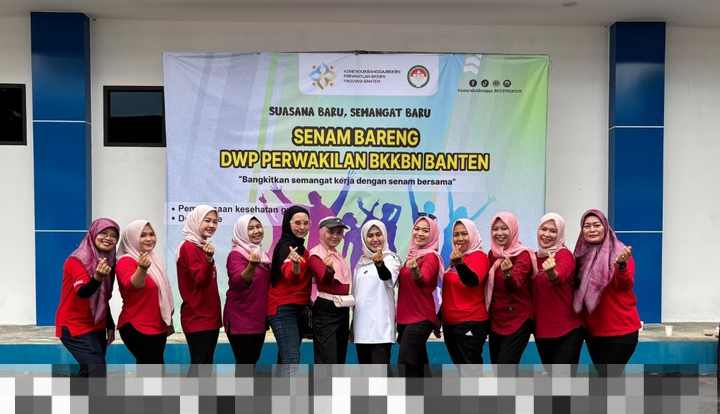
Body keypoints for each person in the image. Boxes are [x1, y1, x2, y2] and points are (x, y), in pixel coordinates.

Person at [574, 209, 639, 377]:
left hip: (620, 330)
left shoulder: (620, 253)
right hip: (593, 331)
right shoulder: (580, 255)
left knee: (608, 379)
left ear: (606, 227)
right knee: (607, 378)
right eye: (587, 226)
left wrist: (621, 266)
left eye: (597, 225)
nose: (592, 229)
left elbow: (624, 285)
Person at [55, 218, 120, 377]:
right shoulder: (79, 259)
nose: (108, 238)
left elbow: (103, 297)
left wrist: (109, 324)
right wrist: (97, 277)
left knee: (90, 372)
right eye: (104, 233)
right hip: (74, 325)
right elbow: (83, 292)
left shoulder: (108, 259)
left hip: (96, 324)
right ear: (93, 233)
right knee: (96, 368)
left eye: (114, 236)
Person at [486, 212, 537, 377]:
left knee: (504, 371)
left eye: (504, 228)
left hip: (518, 319)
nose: (499, 233)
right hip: (496, 319)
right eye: (495, 229)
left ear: (513, 230)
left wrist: (507, 275)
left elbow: (516, 284)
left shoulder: (523, 254)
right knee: (499, 371)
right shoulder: (492, 254)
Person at [117, 220, 175, 365]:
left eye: (151, 234)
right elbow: (131, 286)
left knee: (150, 371)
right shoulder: (126, 261)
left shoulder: (153, 259)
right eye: (142, 235)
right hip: (137, 326)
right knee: (152, 371)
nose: (149, 239)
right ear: (131, 238)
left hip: (157, 326)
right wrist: (142, 269)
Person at [532, 213, 582, 377]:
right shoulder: (533, 257)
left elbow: (559, 275)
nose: (547, 234)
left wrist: (551, 272)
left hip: (568, 330)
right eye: (543, 229)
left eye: (553, 231)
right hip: (542, 331)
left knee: (562, 380)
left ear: (560, 234)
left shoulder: (564, 255)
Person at [350, 220, 401, 376]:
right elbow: (358, 298)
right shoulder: (360, 264)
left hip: (380, 329)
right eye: (370, 235)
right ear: (364, 239)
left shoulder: (391, 259)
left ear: (385, 236)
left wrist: (379, 264)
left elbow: (387, 277)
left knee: (380, 375)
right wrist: (352, 325)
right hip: (361, 330)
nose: (375, 239)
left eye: (378, 234)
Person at [175, 205, 222, 377]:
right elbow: (201, 280)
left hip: (208, 317)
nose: (211, 225)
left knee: (203, 367)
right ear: (196, 221)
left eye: (215, 222)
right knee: (201, 367)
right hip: (198, 317)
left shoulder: (200, 246)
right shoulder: (189, 247)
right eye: (207, 220)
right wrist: (209, 260)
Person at [440, 219, 490, 377]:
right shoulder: (456, 259)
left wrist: (460, 264)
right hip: (451, 323)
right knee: (464, 370)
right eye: (456, 235)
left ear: (473, 235)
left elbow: (472, 281)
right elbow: (450, 291)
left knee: (470, 371)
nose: (459, 238)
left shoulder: (479, 257)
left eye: (464, 234)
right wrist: (439, 318)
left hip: (470, 321)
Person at [267, 206, 313, 377]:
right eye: (297, 223)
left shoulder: (301, 249)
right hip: (283, 309)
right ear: (288, 223)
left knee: (286, 359)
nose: (302, 227)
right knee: (291, 360)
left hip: (298, 309)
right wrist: (295, 266)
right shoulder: (288, 248)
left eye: (306, 223)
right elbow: (290, 277)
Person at [396, 215, 444, 377]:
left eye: (426, 230)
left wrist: (416, 272)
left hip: (420, 317)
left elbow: (424, 278)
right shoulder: (412, 256)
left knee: (406, 363)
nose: (420, 233)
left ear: (433, 235)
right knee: (418, 363)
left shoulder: (431, 257)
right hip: (405, 318)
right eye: (417, 229)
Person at [225, 215, 271, 375]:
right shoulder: (236, 255)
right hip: (240, 319)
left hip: (258, 319)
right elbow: (238, 281)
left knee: (251, 363)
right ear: (241, 232)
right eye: (250, 228)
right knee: (245, 365)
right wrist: (251, 266)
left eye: (258, 226)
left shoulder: (263, 255)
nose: (256, 231)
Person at [309, 217, 352, 375]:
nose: (335, 236)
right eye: (331, 232)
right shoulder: (316, 254)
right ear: (322, 232)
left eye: (339, 233)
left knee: (340, 358)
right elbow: (324, 280)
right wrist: (328, 270)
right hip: (326, 310)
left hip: (342, 309)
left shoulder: (337, 255)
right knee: (327, 360)